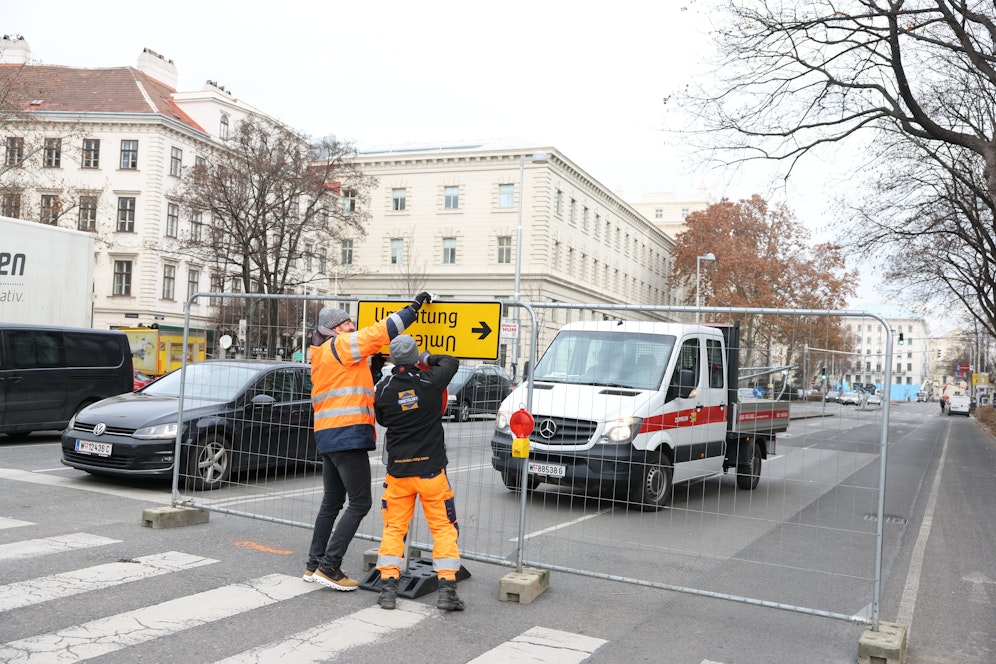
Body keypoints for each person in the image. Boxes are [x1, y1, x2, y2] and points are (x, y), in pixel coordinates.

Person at [304, 292, 433, 591]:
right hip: (347, 434)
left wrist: (373, 368)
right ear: (336, 328)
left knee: (332, 502)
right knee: (360, 501)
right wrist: (412, 310)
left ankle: (314, 564)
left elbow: (351, 381)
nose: (353, 327)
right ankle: (329, 566)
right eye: (349, 323)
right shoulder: (341, 344)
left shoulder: (322, 354)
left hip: (327, 435)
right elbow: (379, 332)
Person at [373, 334, 464, 611]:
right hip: (431, 471)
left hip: (399, 472)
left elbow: (383, 419)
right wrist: (428, 359)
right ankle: (447, 589)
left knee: (394, 528)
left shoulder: (385, 387)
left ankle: (388, 587)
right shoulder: (431, 380)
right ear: (415, 358)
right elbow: (451, 361)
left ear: (392, 358)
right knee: (443, 528)